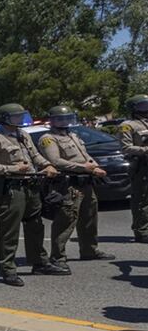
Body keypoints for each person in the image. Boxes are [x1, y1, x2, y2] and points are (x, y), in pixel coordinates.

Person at [0, 103, 62, 287]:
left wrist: (46, 165)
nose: (20, 120)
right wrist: (12, 169)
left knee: (35, 225)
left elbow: (35, 156)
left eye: (21, 116)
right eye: (16, 117)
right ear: (5, 118)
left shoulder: (22, 135)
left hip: (30, 185)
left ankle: (39, 262)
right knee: (10, 230)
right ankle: (7, 268)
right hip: (10, 188)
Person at [39, 106, 114, 268]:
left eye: (67, 118)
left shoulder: (73, 135)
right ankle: (58, 256)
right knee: (66, 220)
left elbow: (85, 156)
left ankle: (89, 250)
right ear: (52, 120)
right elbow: (56, 161)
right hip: (69, 184)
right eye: (60, 119)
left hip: (86, 182)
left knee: (89, 217)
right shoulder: (49, 138)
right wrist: (84, 168)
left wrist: (95, 167)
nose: (64, 122)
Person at [119, 95, 148, 243]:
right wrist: (145, 150)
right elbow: (126, 147)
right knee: (141, 199)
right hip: (141, 165)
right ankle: (141, 231)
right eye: (143, 105)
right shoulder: (128, 125)